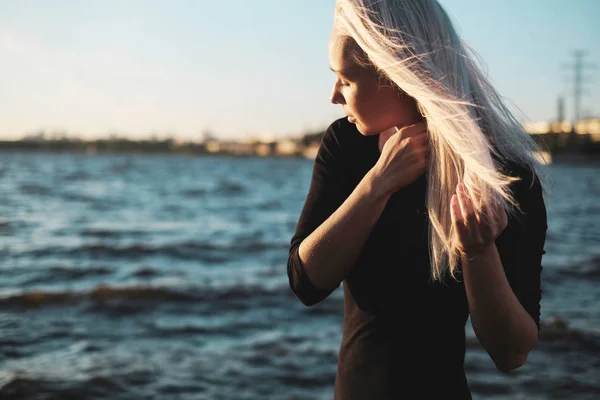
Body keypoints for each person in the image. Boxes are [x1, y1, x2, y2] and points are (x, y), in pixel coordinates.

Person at [286, 0, 549, 399]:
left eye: (347, 80)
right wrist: (377, 184)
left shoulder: (502, 179)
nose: (334, 96)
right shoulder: (347, 146)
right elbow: (306, 282)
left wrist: (478, 251)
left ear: (399, 75)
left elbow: (511, 353)